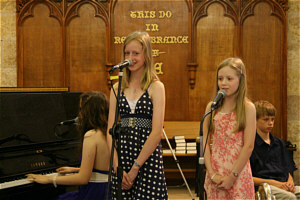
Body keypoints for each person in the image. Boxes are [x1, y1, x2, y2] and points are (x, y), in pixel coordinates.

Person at [107, 31, 168, 199]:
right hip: (123, 157)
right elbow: (110, 131)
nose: (130, 57)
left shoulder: (156, 87)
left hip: (147, 158)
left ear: (146, 56)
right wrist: (117, 167)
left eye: (136, 53)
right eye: (127, 53)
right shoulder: (117, 87)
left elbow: (156, 132)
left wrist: (135, 168)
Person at [26, 91, 110, 200]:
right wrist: (75, 169)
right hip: (106, 190)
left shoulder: (91, 135)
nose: (79, 114)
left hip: (94, 192)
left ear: (88, 111)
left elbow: (83, 179)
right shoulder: (108, 132)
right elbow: (101, 168)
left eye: (81, 109)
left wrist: (50, 179)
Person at [202, 57, 256, 199]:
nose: (223, 83)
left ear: (240, 80)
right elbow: (205, 142)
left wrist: (232, 176)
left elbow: (249, 146)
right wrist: (212, 173)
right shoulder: (212, 107)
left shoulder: (247, 108)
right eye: (220, 79)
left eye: (229, 79)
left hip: (237, 173)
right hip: (216, 174)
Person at [250, 100, 300, 200]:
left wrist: (290, 182)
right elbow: (248, 177)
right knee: (290, 197)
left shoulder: (280, 143)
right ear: (255, 120)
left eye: (272, 119)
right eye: (266, 119)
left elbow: (288, 168)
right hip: (264, 186)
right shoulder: (250, 144)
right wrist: (273, 183)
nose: (271, 123)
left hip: (283, 184)